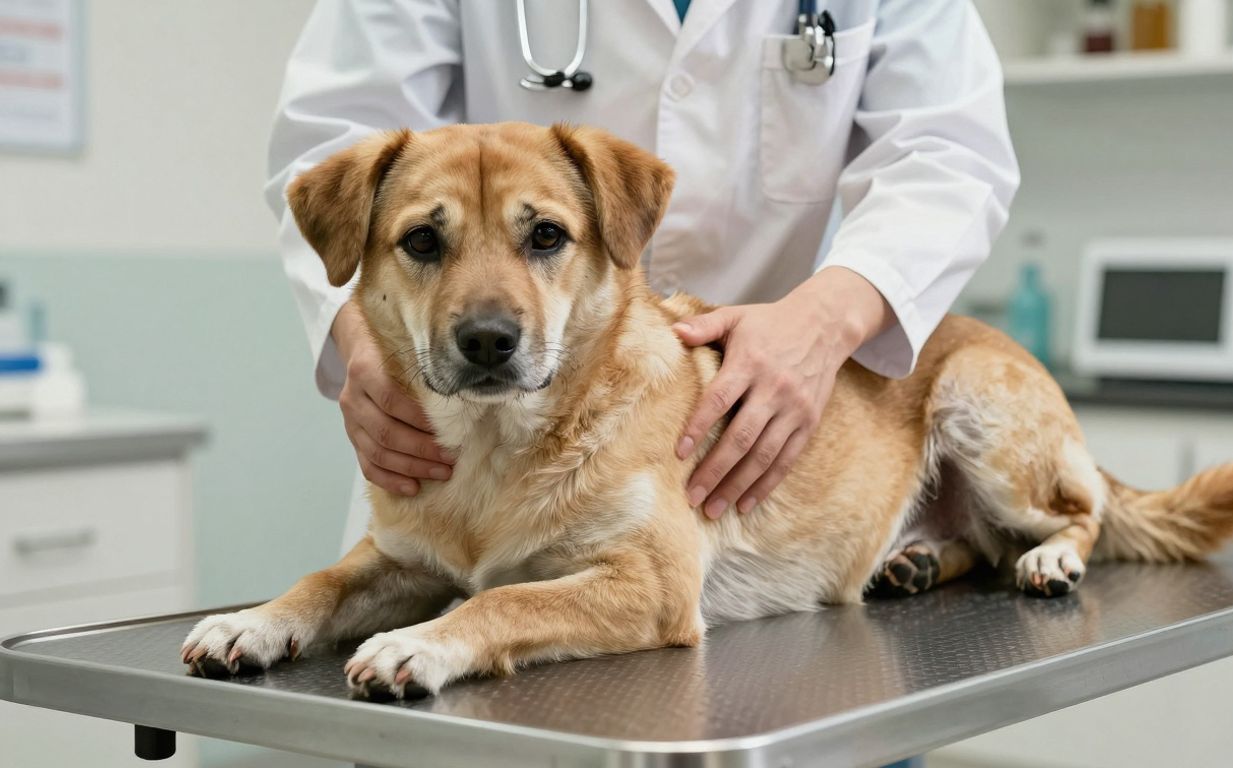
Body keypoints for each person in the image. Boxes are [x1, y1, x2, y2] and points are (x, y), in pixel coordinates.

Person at [265, 0, 1019, 553]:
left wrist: (823, 322)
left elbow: (950, 150)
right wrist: (362, 340)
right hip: (457, 441)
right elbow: (334, 142)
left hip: (770, 444)